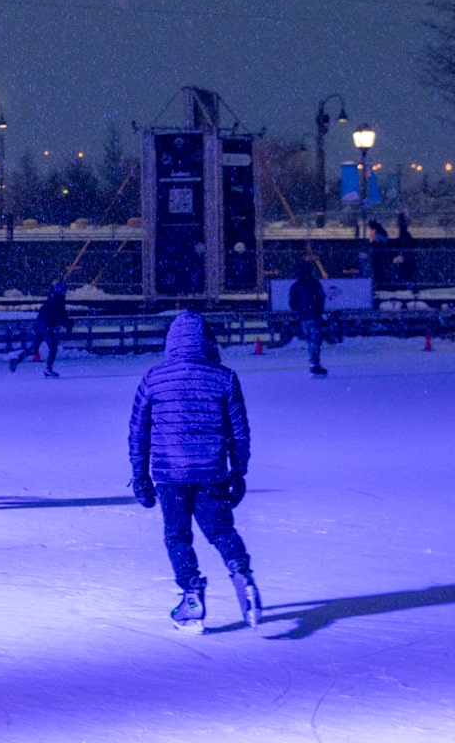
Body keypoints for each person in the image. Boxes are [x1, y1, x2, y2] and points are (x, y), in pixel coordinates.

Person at [127, 311, 260, 633]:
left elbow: (138, 432)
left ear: (171, 342)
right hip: (211, 469)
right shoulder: (223, 377)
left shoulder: (153, 378)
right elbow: (239, 431)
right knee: (221, 532)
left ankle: (191, 595)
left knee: (177, 535)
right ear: (206, 341)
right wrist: (238, 472)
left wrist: (140, 476)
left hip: (169, 474)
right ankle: (240, 571)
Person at [8, 278, 73, 378]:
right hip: (45, 326)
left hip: (38, 326)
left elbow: (58, 314)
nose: (65, 293)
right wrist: (67, 323)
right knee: (53, 347)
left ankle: (16, 360)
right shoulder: (57, 299)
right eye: (64, 290)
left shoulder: (53, 298)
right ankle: (48, 369)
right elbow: (58, 315)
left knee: (33, 349)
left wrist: (66, 321)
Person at [289, 259, 328, 376]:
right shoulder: (315, 283)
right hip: (314, 316)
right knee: (315, 341)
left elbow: (292, 303)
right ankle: (315, 363)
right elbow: (321, 297)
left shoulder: (295, 286)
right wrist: (318, 310)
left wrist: (300, 310)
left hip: (304, 317)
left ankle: (314, 363)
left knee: (310, 340)